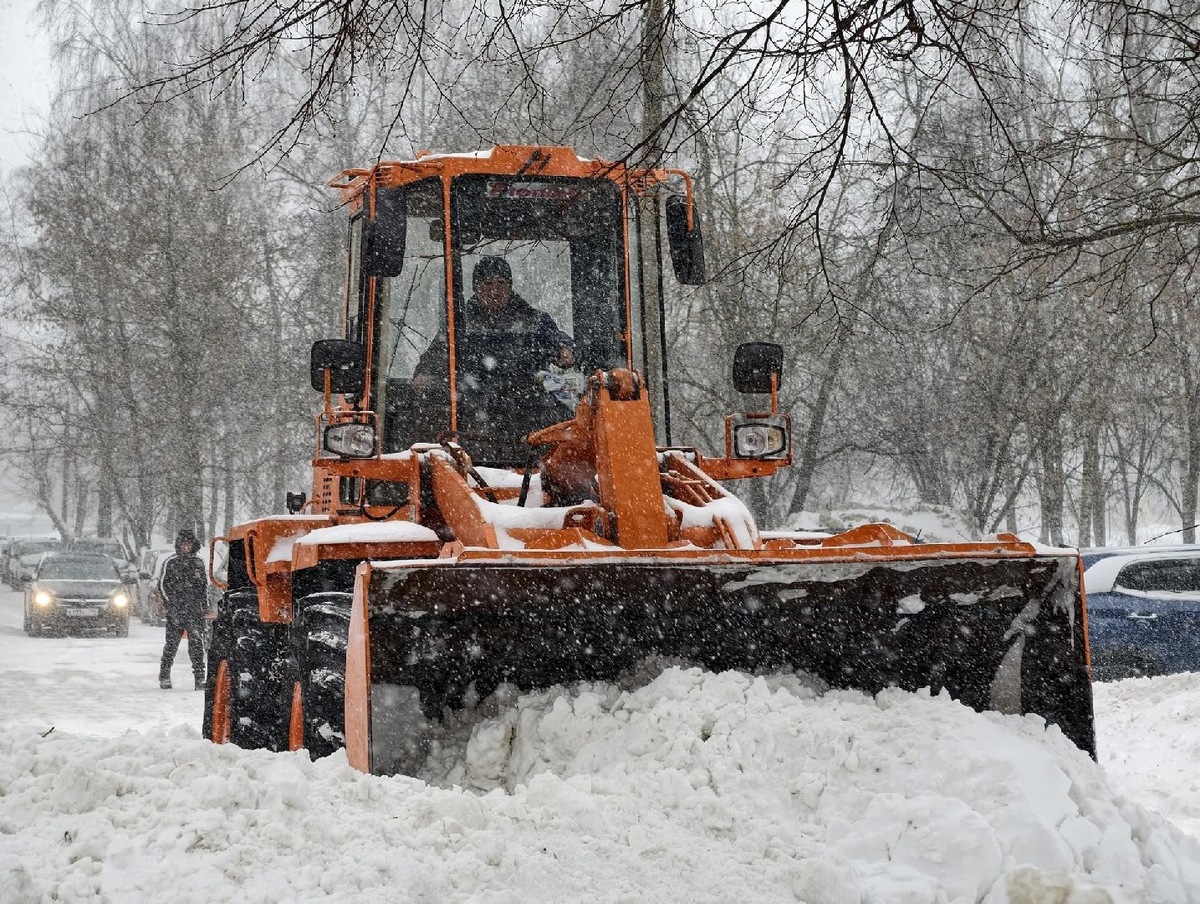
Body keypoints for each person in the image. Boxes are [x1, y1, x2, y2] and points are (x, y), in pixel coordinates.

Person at [413, 255, 576, 404]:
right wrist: (425, 373)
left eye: (501, 283)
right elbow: (438, 353)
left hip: (528, 407)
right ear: (476, 289)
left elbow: (559, 340)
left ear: (510, 287)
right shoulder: (460, 325)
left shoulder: (534, 321)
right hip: (471, 410)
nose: (495, 291)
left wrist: (565, 349)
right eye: (488, 284)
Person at [157, 529, 209, 690]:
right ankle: (164, 675)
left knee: (196, 644)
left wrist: (204, 606)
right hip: (176, 611)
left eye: (189, 545)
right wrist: (170, 603)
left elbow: (204, 587)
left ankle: (199, 678)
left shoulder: (199, 563)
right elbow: (161, 585)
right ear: (179, 545)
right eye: (183, 544)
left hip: (194, 611)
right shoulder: (171, 562)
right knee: (171, 645)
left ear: (193, 546)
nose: (186, 548)